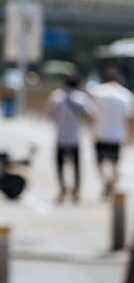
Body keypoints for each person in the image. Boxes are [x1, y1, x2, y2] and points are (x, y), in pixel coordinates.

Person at [45, 75, 96, 203]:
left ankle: (63, 187)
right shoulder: (82, 98)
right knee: (76, 167)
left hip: (61, 137)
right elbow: (91, 115)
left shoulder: (57, 97)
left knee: (60, 165)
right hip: (75, 138)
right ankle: (76, 190)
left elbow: (49, 114)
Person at [89, 68, 134, 199]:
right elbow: (129, 118)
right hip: (117, 135)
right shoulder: (126, 94)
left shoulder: (98, 92)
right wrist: (130, 136)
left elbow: (92, 113)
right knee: (115, 163)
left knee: (99, 162)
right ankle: (113, 184)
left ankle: (106, 181)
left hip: (100, 133)